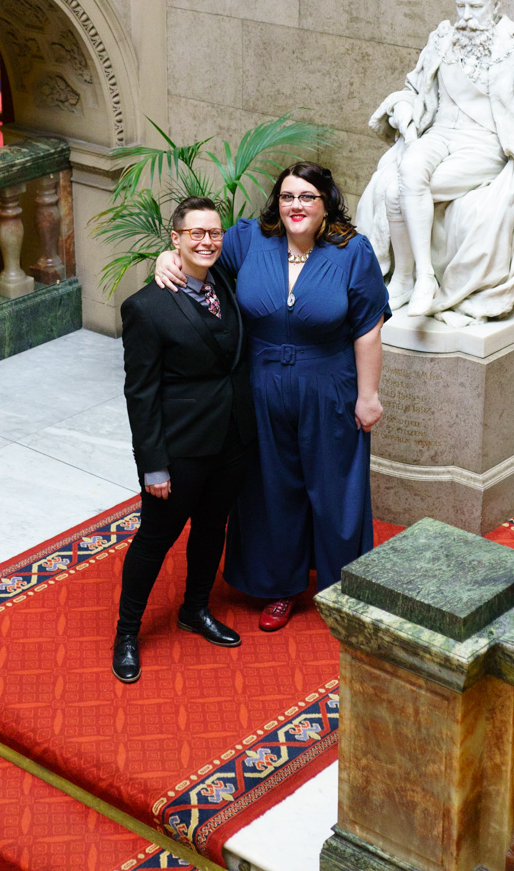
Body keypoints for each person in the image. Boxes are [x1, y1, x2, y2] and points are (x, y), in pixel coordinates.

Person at [155, 164, 390, 633]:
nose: (296, 206)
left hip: (329, 386)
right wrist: (167, 256)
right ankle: (279, 587)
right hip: (258, 387)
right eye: (287, 197)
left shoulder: (352, 251)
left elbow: (368, 328)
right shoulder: (248, 240)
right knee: (270, 488)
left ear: (326, 204)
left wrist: (369, 396)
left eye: (307, 197)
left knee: (334, 487)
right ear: (276, 203)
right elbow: (201, 256)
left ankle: (342, 586)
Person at [356, 0, 514, 323]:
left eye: (475, 7)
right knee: (407, 170)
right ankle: (412, 279)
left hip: (486, 145)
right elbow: (416, 89)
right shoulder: (443, 38)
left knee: (396, 189)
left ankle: (413, 278)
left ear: (496, 5)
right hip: (439, 134)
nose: (465, 16)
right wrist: (403, 107)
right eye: (460, 5)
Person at [113, 196, 257, 683]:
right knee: (155, 539)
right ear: (174, 239)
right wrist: (153, 465)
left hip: (233, 440)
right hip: (180, 450)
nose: (206, 241)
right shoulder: (146, 308)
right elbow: (141, 393)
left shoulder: (229, 282)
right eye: (194, 233)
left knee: (212, 528)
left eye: (213, 233)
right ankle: (127, 632)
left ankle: (194, 609)